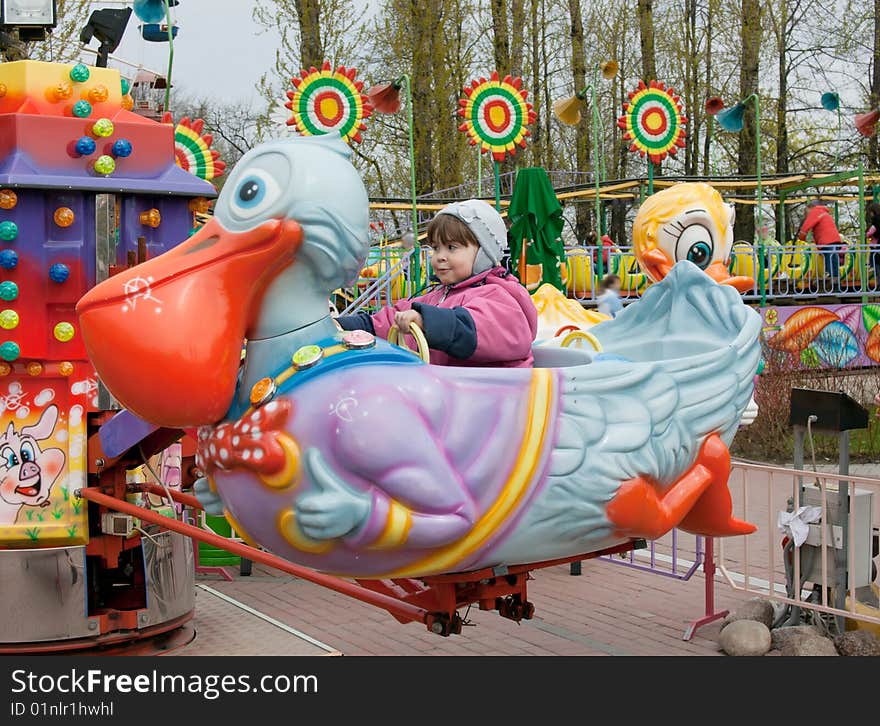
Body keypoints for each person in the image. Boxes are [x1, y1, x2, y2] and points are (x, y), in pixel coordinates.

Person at [336, 199, 538, 367]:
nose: (439, 257)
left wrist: (426, 321)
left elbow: (474, 328)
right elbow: (390, 319)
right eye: (435, 248)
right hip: (450, 394)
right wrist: (341, 324)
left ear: (484, 253)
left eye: (451, 247)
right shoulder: (436, 296)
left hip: (496, 397)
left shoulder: (497, 296)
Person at [798, 199, 843, 283]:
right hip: (835, 239)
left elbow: (806, 226)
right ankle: (837, 277)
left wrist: (801, 238)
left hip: (826, 240)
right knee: (834, 257)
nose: (807, 215)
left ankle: (830, 276)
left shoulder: (815, 212)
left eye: (806, 212)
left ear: (810, 208)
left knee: (828, 257)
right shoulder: (824, 213)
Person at [865, 201, 880, 287]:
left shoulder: (875, 222)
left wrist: (868, 234)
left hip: (876, 245)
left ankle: (878, 282)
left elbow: (871, 232)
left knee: (875, 262)